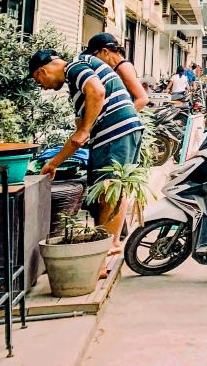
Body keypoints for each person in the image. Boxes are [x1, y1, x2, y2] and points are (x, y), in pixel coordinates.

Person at [29, 46, 143, 255]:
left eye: (39, 83)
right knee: (114, 189)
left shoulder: (75, 66)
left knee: (109, 190)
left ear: (41, 72)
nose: (43, 88)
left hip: (115, 133)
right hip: (119, 132)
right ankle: (111, 243)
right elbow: (77, 137)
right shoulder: (75, 83)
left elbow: (97, 91)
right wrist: (54, 162)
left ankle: (104, 251)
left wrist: (85, 129)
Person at [86, 34, 149, 111]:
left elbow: (143, 98)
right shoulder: (114, 66)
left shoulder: (123, 68)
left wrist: (126, 117)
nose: (94, 59)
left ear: (105, 51)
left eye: (95, 55)